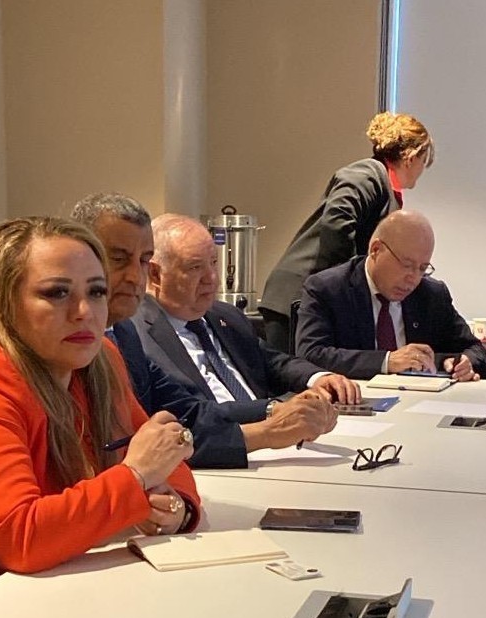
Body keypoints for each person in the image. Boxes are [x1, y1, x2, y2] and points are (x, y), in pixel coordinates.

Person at [0, 216, 201, 607]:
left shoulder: (101, 359)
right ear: (5, 302)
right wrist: (136, 478)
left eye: (96, 291)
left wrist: (176, 509)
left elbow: (164, 458)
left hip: (61, 587)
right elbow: (20, 538)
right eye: (57, 293)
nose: (84, 311)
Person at [70, 193, 339, 467]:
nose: (135, 276)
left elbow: (189, 413)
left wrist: (272, 416)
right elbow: (133, 445)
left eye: (143, 260)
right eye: (118, 259)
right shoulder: (111, 336)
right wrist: (268, 432)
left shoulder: (122, 332)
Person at [132, 213, 361, 406]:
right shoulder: (138, 338)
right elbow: (191, 414)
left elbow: (274, 362)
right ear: (155, 274)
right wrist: (271, 413)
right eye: (195, 267)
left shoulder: (226, 316)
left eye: (213, 262)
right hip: (219, 440)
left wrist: (318, 377)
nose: (212, 278)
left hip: (274, 431)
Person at [259, 111, 435, 352]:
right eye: (425, 162)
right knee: (294, 372)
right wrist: (351, 286)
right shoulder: (367, 175)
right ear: (411, 158)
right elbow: (336, 223)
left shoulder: (382, 185)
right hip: (297, 295)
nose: (423, 170)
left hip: (308, 295)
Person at [295, 210, 486, 380]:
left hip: (420, 400)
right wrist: (387, 361)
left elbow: (474, 348)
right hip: (354, 401)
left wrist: (464, 362)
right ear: (376, 250)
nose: (414, 278)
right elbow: (311, 354)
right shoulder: (328, 289)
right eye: (406, 265)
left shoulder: (432, 295)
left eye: (422, 268)